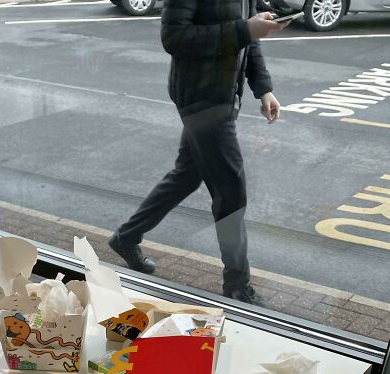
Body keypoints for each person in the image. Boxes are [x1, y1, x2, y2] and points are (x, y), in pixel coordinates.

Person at [108, 0, 288, 305]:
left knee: (186, 175)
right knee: (231, 193)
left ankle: (125, 238)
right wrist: (245, 29)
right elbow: (174, 38)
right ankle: (237, 285)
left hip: (223, 93)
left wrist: (263, 87)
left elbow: (249, 38)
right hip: (200, 98)